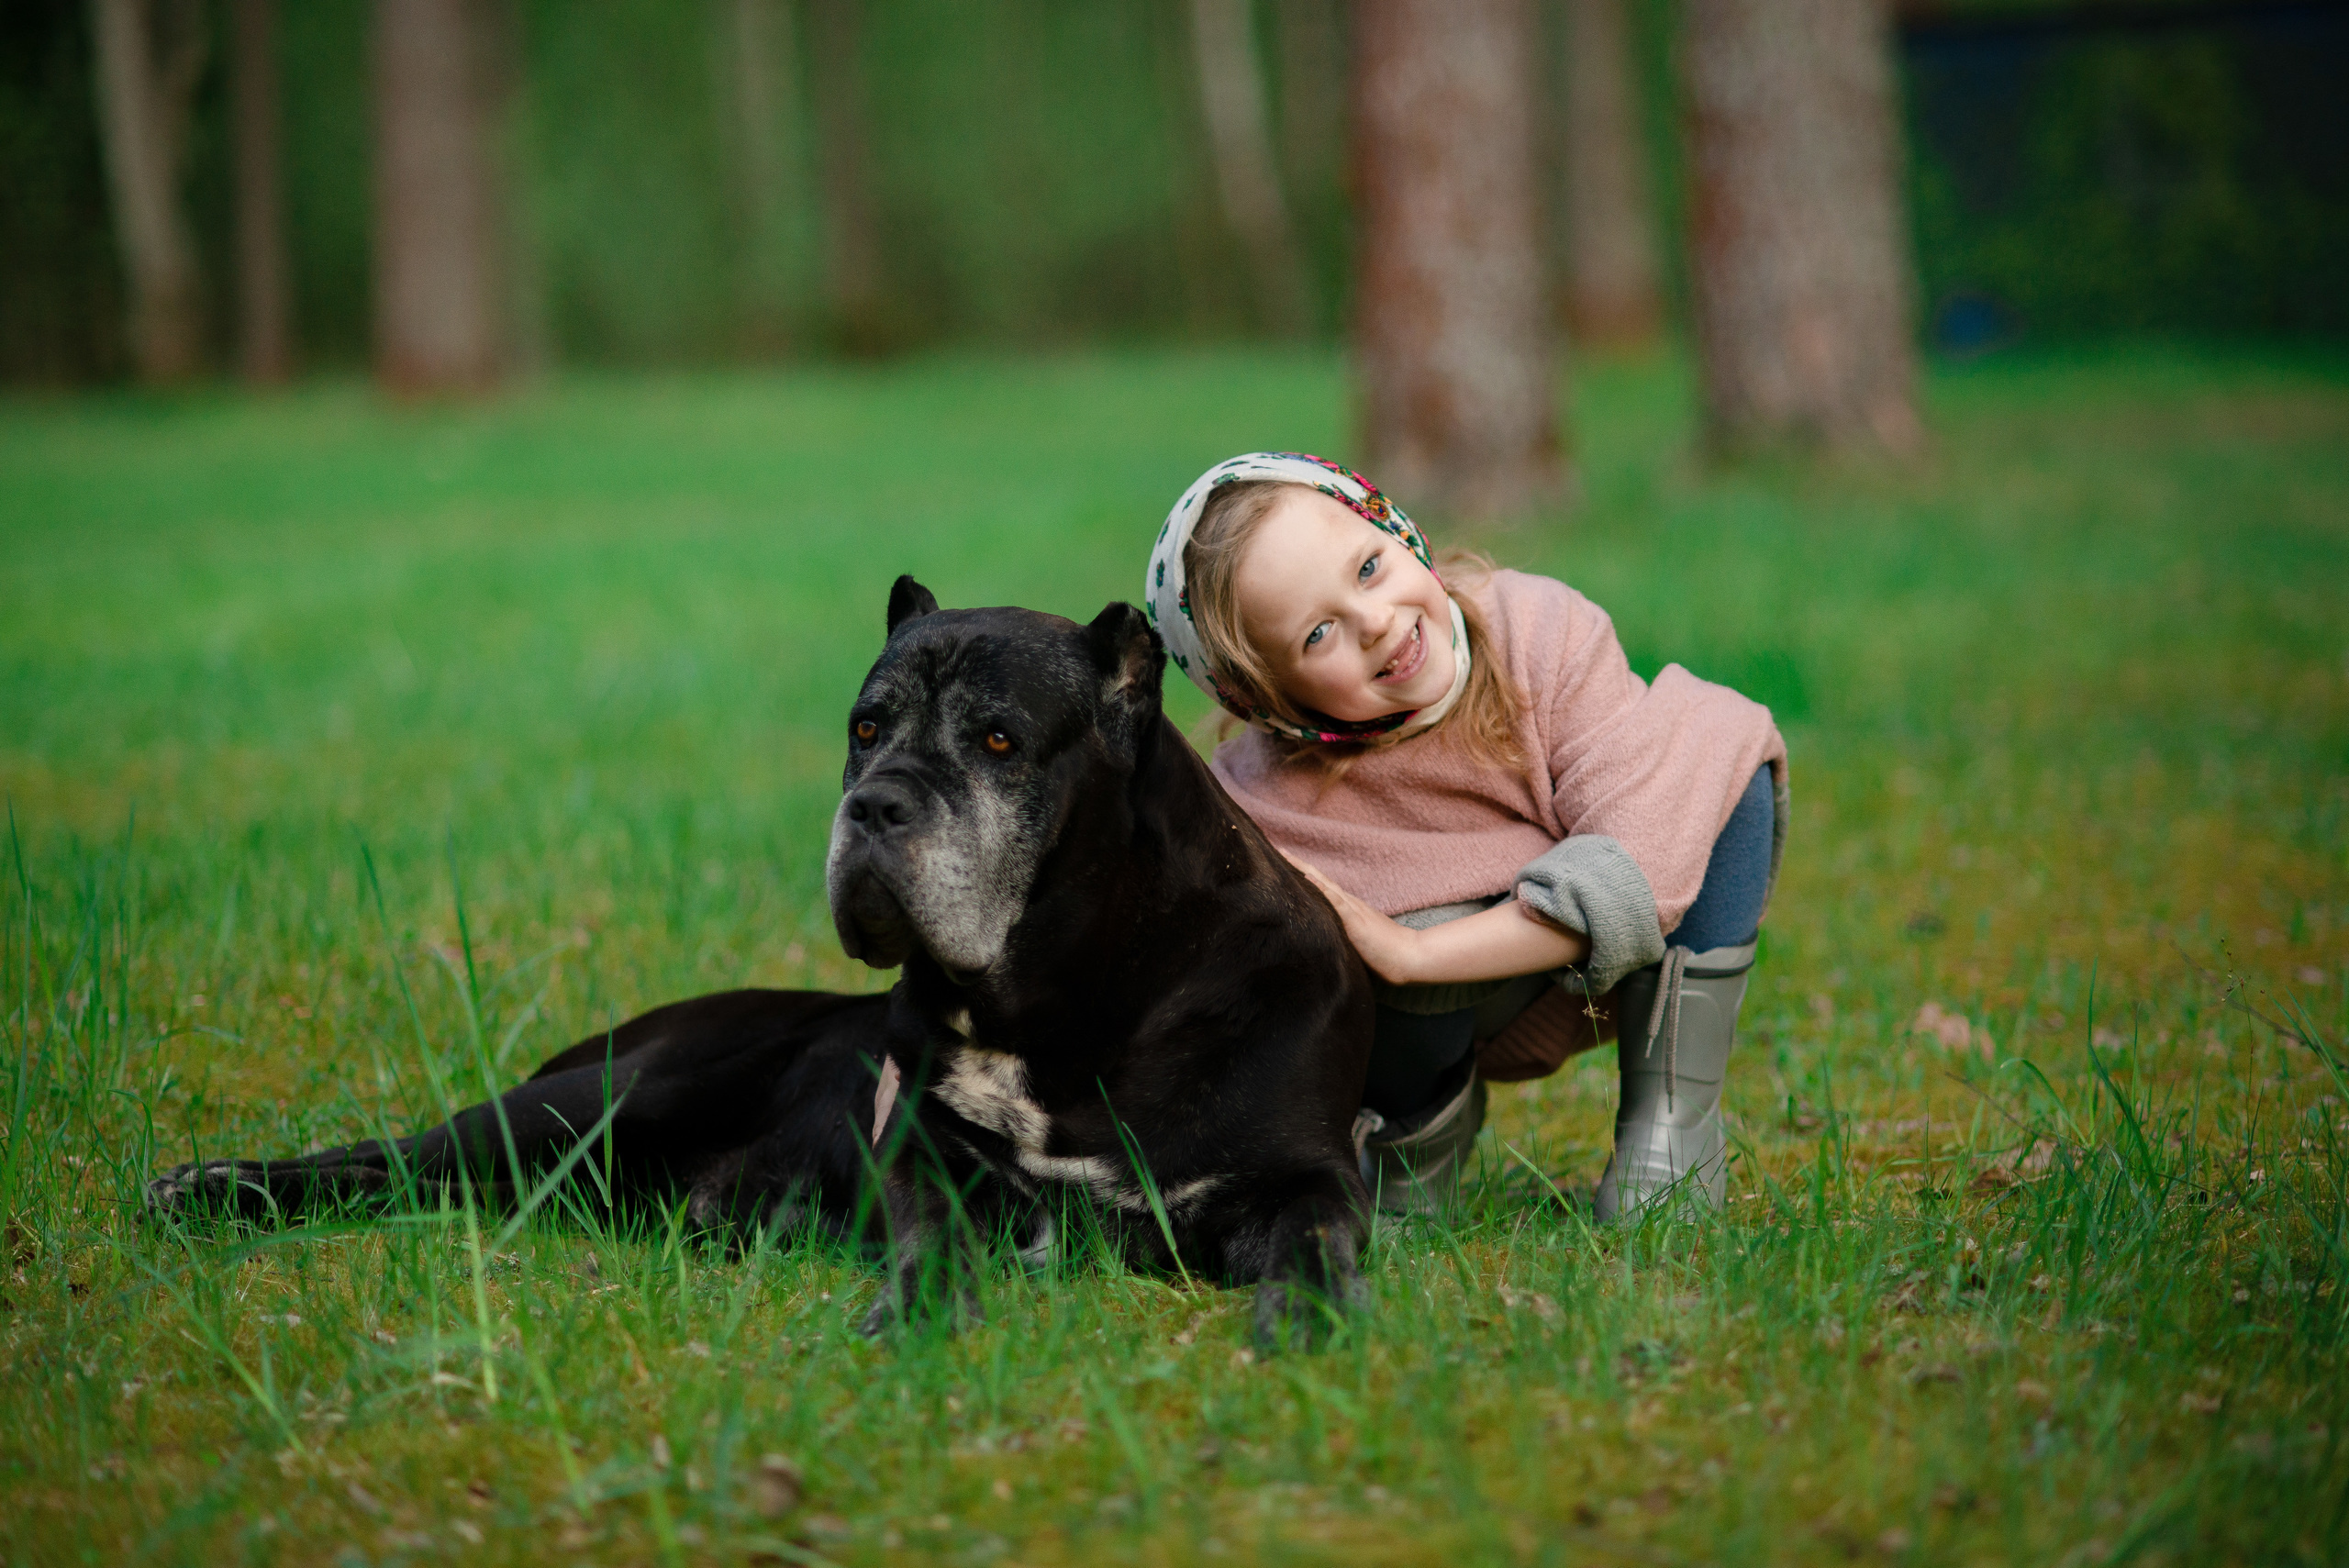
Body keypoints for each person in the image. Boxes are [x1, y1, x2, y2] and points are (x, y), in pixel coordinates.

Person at [1144, 453, 1786, 1219]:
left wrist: (1415, 954)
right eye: (1320, 633)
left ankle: (1669, 1123)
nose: (1377, 621)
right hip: (1435, 1020)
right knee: (1324, 925)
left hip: (1620, 959)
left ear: (1396, 528)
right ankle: (1414, 1147)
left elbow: (1641, 851)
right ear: (1266, 701)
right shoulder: (1264, 798)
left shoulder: (1536, 629)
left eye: (1371, 567)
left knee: (1711, 747)